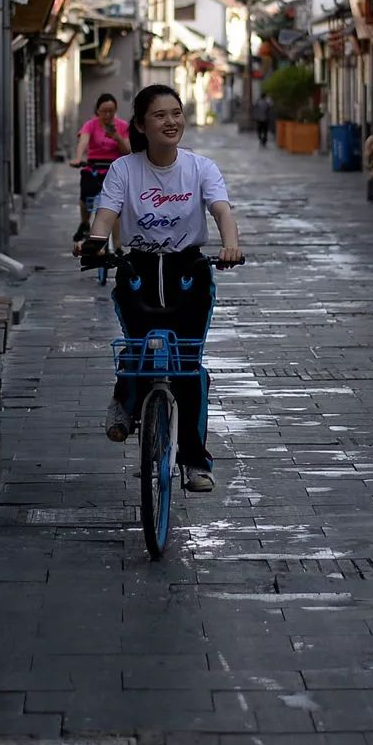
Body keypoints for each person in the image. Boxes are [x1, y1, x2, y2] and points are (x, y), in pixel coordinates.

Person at [77, 84, 241, 493]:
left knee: (187, 366)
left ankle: (194, 462)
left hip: (189, 272)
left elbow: (221, 209)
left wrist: (231, 244)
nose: (171, 122)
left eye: (176, 113)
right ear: (140, 125)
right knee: (138, 350)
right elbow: (106, 214)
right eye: (160, 115)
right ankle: (126, 400)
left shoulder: (201, 167)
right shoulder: (124, 169)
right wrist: (95, 244)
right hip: (140, 270)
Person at [70, 93, 130, 244]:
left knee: (117, 209)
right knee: (85, 195)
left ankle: (117, 246)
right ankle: (85, 223)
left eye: (111, 111)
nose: (108, 114)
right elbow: (83, 142)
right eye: (104, 111)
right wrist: (78, 158)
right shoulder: (90, 125)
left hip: (115, 169)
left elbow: (127, 151)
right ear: (97, 111)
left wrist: (116, 137)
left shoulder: (122, 126)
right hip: (94, 167)